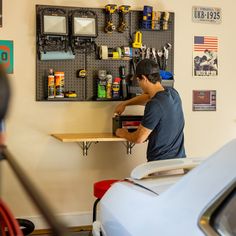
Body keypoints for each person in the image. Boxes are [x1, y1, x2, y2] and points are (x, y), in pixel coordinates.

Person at [114, 59, 186, 162]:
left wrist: (123, 133)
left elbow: (139, 138)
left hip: (160, 167)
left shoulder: (154, 105)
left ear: (143, 78)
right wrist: (125, 104)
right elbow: (148, 97)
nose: (139, 84)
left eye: (138, 80)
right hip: (180, 163)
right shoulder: (173, 93)